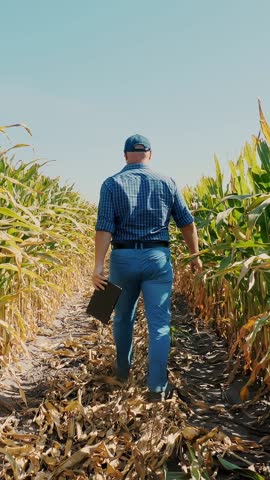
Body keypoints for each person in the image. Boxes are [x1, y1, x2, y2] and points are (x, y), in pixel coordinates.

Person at [92, 134, 202, 401]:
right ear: (150, 154)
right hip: (157, 258)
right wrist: (195, 256)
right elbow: (187, 223)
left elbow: (105, 227)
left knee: (122, 317)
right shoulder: (167, 182)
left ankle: (122, 373)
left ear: (125, 154)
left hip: (123, 259)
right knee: (160, 324)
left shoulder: (111, 184)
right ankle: (156, 387)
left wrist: (98, 266)